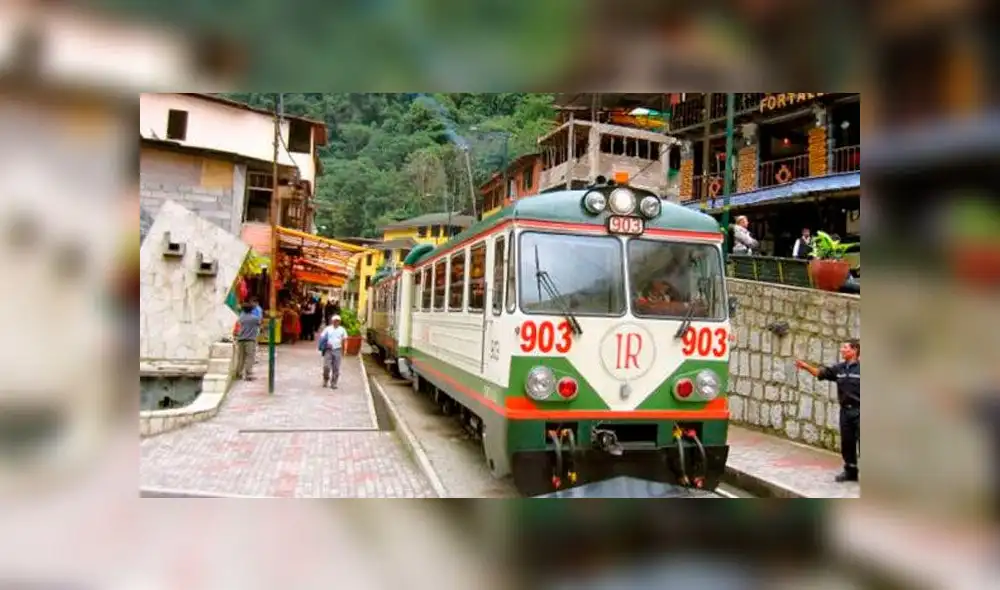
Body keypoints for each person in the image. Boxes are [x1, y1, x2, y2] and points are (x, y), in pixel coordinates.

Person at [795, 339, 861, 482]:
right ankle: (851, 471)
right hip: (845, 412)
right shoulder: (839, 369)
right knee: (847, 443)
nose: (842, 350)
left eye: (845, 347)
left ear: (854, 350)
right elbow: (820, 373)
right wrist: (805, 366)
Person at [233, 301, 262, 380]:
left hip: (241, 339)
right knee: (250, 356)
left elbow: (237, 327)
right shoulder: (255, 318)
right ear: (251, 310)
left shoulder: (240, 318)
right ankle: (248, 373)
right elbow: (259, 324)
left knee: (241, 357)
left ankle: (238, 373)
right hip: (250, 340)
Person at [318, 315, 348, 389]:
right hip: (328, 350)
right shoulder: (328, 329)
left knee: (336, 368)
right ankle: (325, 379)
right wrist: (325, 344)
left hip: (338, 349)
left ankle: (334, 383)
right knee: (326, 366)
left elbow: (345, 340)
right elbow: (322, 337)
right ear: (332, 321)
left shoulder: (342, 330)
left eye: (338, 321)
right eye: (335, 320)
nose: (336, 322)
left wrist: (345, 350)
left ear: (340, 322)